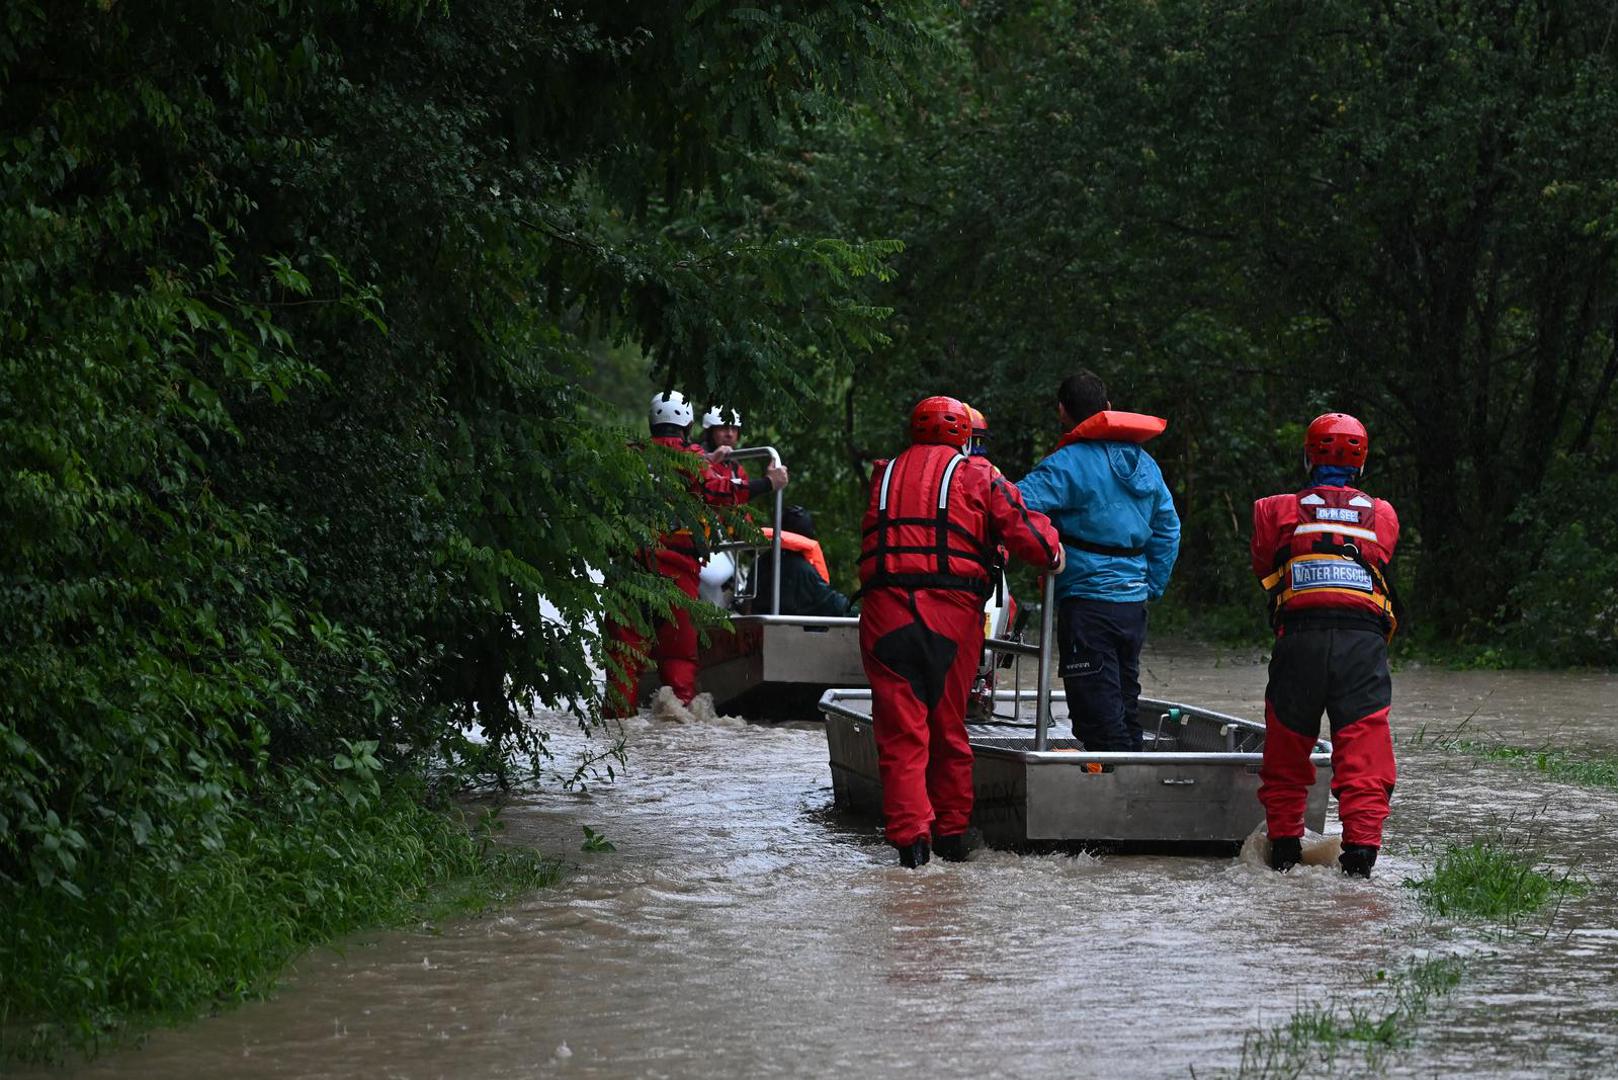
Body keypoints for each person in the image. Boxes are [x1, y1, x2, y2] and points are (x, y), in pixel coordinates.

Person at [859, 395, 1062, 867]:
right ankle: (951, 832)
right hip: (949, 618)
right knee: (949, 727)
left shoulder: (884, 473)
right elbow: (1026, 533)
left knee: (901, 733)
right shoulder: (977, 474)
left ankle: (912, 846)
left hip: (885, 614)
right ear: (964, 435)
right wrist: (1054, 552)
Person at [1252, 412, 1400, 878]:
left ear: (1307, 455)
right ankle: (1360, 858)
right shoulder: (1383, 514)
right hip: (1362, 645)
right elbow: (1381, 556)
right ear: (1362, 463)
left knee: (1287, 747)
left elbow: (1264, 566)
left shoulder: (1273, 510)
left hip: (1300, 639)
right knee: (1364, 749)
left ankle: (1284, 850)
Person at [1016, 370, 1181, 752]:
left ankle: (1116, 786)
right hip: (1132, 606)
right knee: (1124, 696)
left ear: (1062, 412)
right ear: (1106, 408)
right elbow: (1169, 530)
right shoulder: (1147, 465)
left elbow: (1014, 506)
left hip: (1087, 604)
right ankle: (1132, 768)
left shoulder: (1066, 464)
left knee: (1096, 707)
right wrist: (1151, 584)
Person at [604, 391, 735, 716]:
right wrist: (768, 482)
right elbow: (722, 492)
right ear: (689, 424)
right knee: (678, 657)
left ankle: (618, 722)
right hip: (678, 573)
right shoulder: (691, 459)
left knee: (623, 656)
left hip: (629, 570)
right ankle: (677, 725)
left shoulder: (628, 456)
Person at [752, 505, 856, 617]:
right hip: (795, 631)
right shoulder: (804, 570)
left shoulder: (760, 563)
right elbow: (836, 605)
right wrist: (853, 610)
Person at [700, 406, 789, 506]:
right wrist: (768, 482)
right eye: (723, 428)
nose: (730, 434)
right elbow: (716, 493)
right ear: (710, 432)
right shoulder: (695, 460)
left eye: (734, 429)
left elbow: (741, 508)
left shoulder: (736, 469)